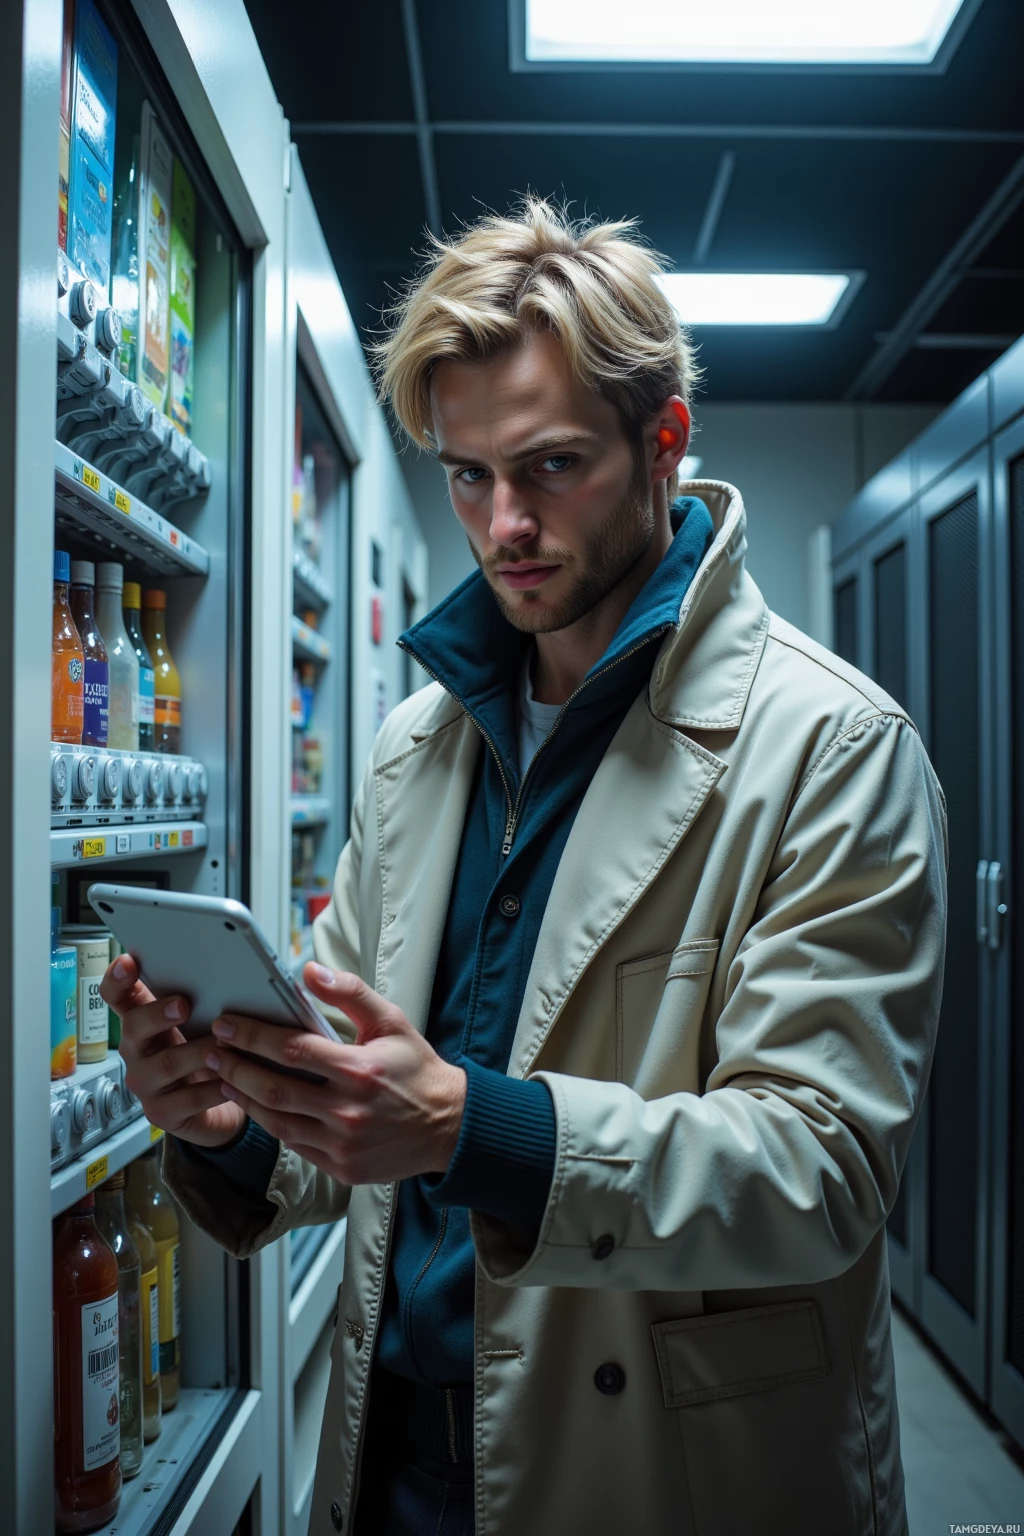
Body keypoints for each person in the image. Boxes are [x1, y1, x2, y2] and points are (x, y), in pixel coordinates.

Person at [102, 198, 947, 1536]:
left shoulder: (832, 747)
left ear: (661, 440)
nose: (503, 525)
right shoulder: (413, 746)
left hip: (658, 1471)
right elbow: (348, 1094)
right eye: (469, 475)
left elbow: (822, 1171)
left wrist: (469, 1127)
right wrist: (229, 1117)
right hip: (397, 1453)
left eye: (551, 467)